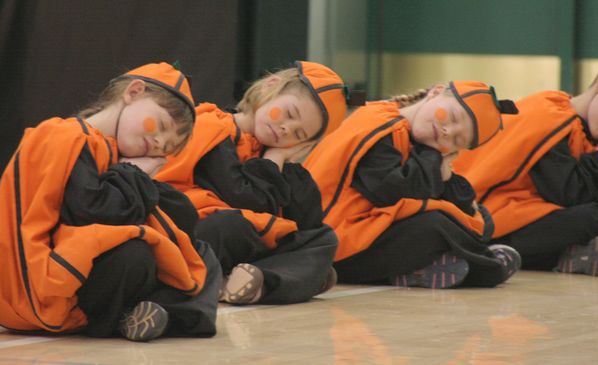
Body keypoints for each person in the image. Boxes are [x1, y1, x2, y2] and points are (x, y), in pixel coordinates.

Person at [0, 62, 222, 342]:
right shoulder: (64, 135)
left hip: (78, 272)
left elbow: (183, 217)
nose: (157, 142)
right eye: (161, 126)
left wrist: (135, 175)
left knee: (198, 253)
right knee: (135, 254)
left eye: (166, 148)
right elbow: (89, 211)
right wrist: (135, 174)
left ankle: (151, 315)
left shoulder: (110, 152)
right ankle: (155, 314)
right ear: (134, 92)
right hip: (40, 287)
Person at [156, 61, 357, 304]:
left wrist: (285, 159)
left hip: (237, 238)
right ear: (269, 87)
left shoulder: (264, 148)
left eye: (299, 135)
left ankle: (253, 282)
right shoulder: (216, 128)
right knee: (232, 223)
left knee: (323, 238)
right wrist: (273, 160)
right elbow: (248, 200)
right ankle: (279, 280)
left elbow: (308, 218)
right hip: (191, 232)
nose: (286, 129)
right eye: (290, 114)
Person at [304, 80, 521, 289]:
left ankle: (441, 267)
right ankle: (484, 264)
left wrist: (439, 164)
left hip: (363, 236)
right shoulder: (382, 127)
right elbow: (391, 192)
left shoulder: (415, 139)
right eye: (453, 117)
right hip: (332, 249)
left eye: (457, 141)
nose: (448, 132)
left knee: (475, 215)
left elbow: (461, 202)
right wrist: (435, 157)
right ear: (435, 92)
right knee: (434, 225)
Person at [453, 56, 598, 276]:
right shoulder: (552, 117)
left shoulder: (589, 130)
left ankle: (573, 256)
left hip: (523, 211)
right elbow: (573, 194)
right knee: (593, 219)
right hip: (482, 220)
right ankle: (490, 254)